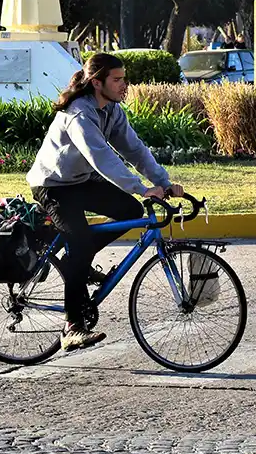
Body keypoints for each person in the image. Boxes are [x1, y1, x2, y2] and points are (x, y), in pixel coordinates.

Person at [27, 53, 184, 352]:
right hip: (53, 185)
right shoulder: (79, 113)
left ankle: (78, 260)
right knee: (82, 243)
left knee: (131, 210)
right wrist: (140, 187)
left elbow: (135, 150)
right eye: (117, 79)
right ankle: (72, 327)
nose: (124, 85)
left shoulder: (111, 110)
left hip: (81, 181)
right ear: (97, 83)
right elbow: (101, 157)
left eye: (124, 78)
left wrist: (163, 182)